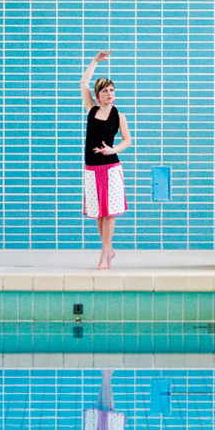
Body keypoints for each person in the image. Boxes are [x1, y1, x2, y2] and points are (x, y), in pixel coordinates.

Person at [80, 51, 132, 270]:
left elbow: (128, 140)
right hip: (92, 168)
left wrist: (113, 150)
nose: (110, 93)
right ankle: (108, 249)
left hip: (111, 168)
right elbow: (83, 82)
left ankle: (105, 252)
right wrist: (95, 61)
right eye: (105, 91)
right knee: (98, 212)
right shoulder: (91, 110)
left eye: (112, 90)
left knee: (109, 211)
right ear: (98, 95)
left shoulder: (118, 116)